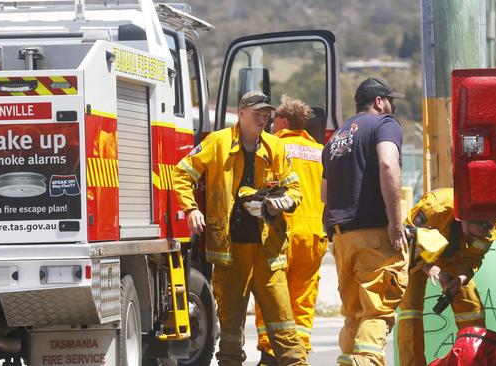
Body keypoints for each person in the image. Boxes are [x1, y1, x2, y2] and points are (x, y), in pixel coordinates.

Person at [173, 91, 309, 366]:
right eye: (256, 113)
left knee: (284, 323)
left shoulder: (275, 148)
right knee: (231, 330)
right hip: (230, 251)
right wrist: (191, 209)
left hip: (268, 250)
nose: (262, 118)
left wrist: (281, 202)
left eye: (266, 113)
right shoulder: (218, 143)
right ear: (242, 113)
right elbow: (181, 173)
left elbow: (295, 188)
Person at [321, 77, 409, 366]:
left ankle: (350, 360)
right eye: (390, 101)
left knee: (355, 313)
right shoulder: (385, 124)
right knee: (378, 309)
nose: (393, 107)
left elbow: (324, 192)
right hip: (375, 234)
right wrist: (396, 224)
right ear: (378, 102)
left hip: (343, 237)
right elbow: (387, 163)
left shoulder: (336, 137)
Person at [254, 95, 327, 365]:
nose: (270, 124)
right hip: (313, 236)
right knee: (303, 297)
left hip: (281, 233)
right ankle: (299, 353)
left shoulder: (274, 147)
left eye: (274, 119)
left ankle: (270, 353)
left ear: (284, 120)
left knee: (271, 293)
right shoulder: (320, 151)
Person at [397, 188, 496, 366]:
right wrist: (428, 266)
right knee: (410, 311)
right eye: (472, 234)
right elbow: (406, 242)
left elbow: (473, 259)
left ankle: (475, 361)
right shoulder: (435, 207)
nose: (479, 236)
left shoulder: (490, 228)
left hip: (453, 260)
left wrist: (461, 279)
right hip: (417, 256)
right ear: (463, 218)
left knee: (472, 310)